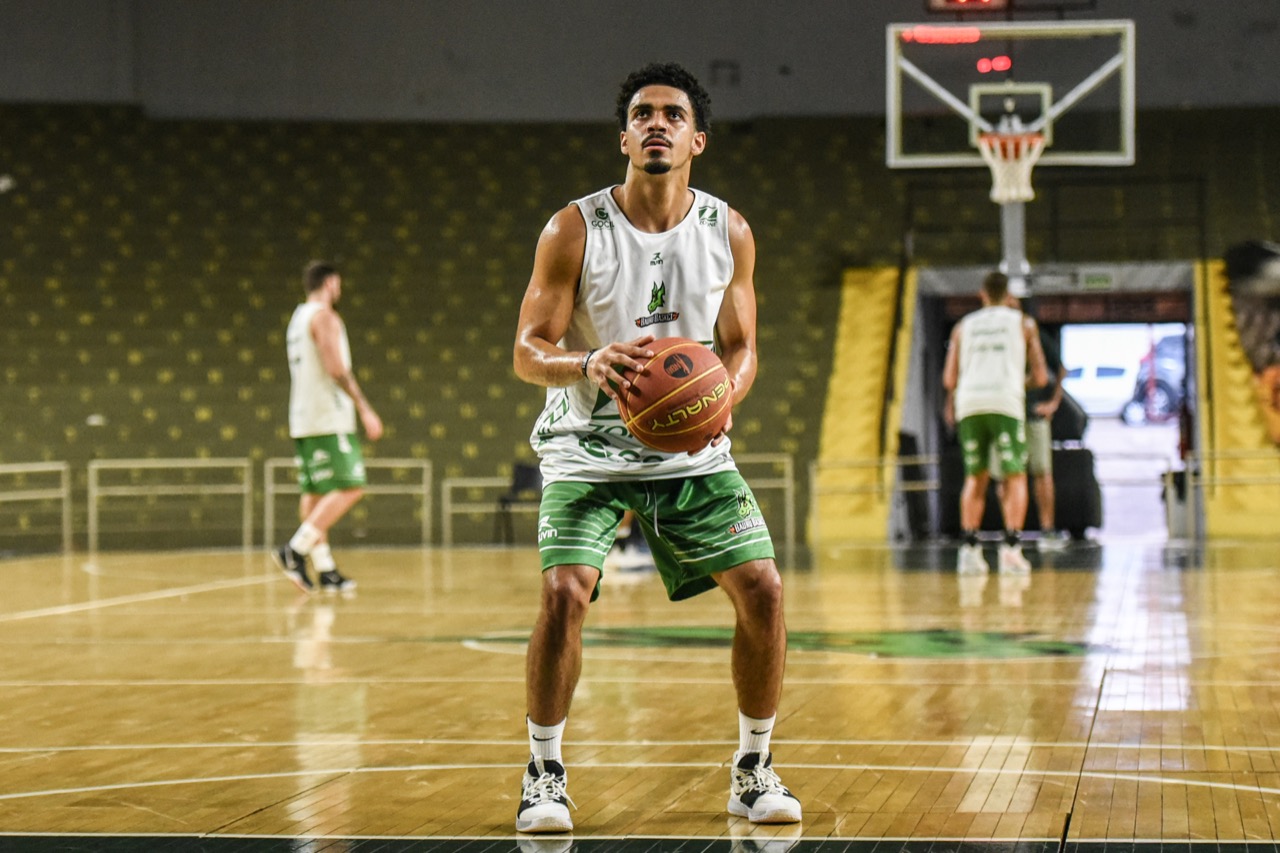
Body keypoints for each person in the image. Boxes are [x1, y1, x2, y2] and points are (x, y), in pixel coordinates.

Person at [510, 62, 801, 834]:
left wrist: (719, 396)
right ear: (624, 137)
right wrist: (586, 362)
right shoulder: (573, 228)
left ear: (696, 138)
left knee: (765, 590)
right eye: (643, 114)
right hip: (585, 446)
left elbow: (743, 347)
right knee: (563, 592)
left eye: (673, 114)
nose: (657, 123)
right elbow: (526, 350)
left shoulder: (728, 230)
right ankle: (544, 773)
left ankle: (753, 768)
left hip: (691, 452)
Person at [273, 260, 383, 593]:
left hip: (302, 416)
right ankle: (296, 549)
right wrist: (365, 408)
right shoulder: (325, 317)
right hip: (328, 416)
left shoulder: (298, 318)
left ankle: (325, 569)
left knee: (315, 492)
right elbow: (336, 368)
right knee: (352, 485)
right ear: (331, 283)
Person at [943, 272, 1048, 576]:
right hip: (1004, 402)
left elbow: (949, 379)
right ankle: (1012, 548)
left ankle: (969, 549)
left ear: (982, 294)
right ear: (1008, 294)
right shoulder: (1023, 323)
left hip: (969, 404)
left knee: (975, 477)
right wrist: (1018, 381)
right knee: (1015, 476)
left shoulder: (964, 326)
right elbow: (1041, 377)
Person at [988, 297, 1069, 550]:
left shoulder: (1034, 334)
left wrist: (1053, 403)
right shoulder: (992, 339)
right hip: (1002, 414)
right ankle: (1011, 532)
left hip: (1032, 416)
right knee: (1005, 475)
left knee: (1041, 472)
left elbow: (1052, 372)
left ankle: (1048, 530)